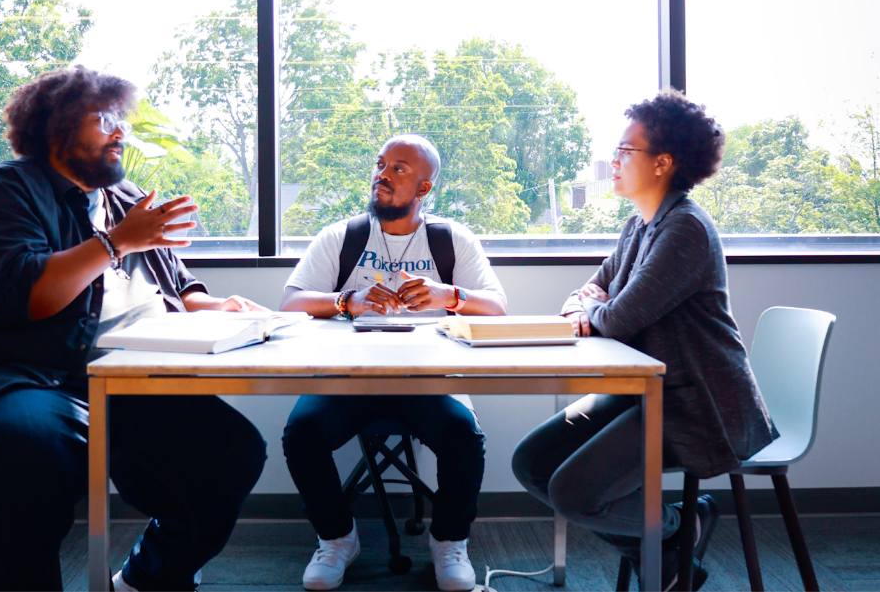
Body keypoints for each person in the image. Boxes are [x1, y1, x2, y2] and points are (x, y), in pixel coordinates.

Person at [0, 66, 268, 591]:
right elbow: (27, 297)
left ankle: (145, 578)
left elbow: (175, 285)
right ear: (57, 126)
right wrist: (116, 242)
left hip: (108, 385)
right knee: (24, 446)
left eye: (121, 119)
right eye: (104, 119)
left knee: (228, 451)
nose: (121, 131)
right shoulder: (0, 193)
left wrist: (211, 305)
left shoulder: (123, 198)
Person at [511, 90, 777, 590]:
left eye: (624, 150)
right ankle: (671, 549)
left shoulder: (686, 230)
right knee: (532, 462)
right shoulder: (639, 226)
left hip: (697, 405)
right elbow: (586, 293)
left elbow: (615, 319)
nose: (613, 161)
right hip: (645, 392)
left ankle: (677, 527)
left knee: (574, 493)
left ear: (663, 163)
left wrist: (593, 307)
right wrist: (587, 305)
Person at [279, 134, 507, 591]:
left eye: (398, 169)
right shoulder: (342, 236)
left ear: (424, 188)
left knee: (464, 436)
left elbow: (498, 309)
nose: (381, 175)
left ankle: (449, 542)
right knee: (301, 433)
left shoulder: (451, 239)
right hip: (347, 378)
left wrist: (449, 295)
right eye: (380, 164)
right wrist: (348, 301)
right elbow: (290, 304)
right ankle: (337, 539)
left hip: (428, 379)